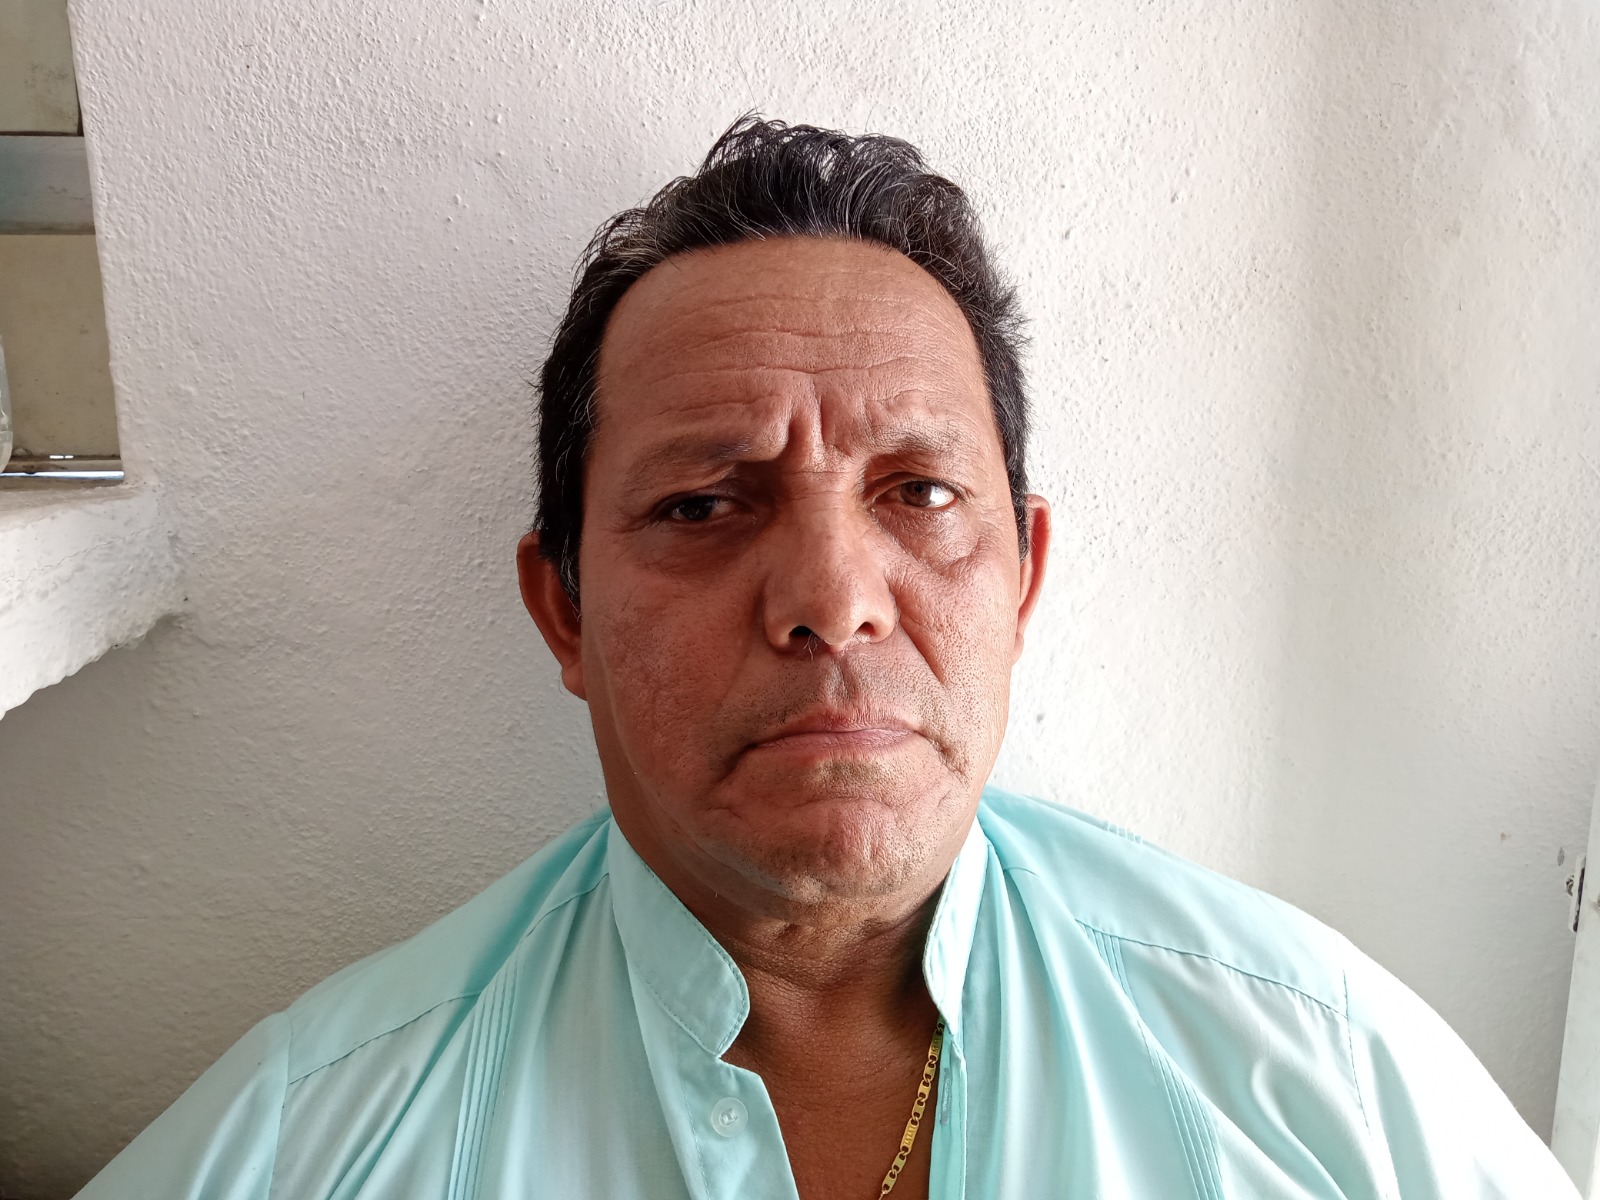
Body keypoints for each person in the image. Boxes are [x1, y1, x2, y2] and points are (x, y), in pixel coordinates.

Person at [76, 117, 1574, 1199]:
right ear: (564, 612)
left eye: (918, 493)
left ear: (1025, 577)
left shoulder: (1324, 1082)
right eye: (702, 504)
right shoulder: (312, 1139)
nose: (832, 600)